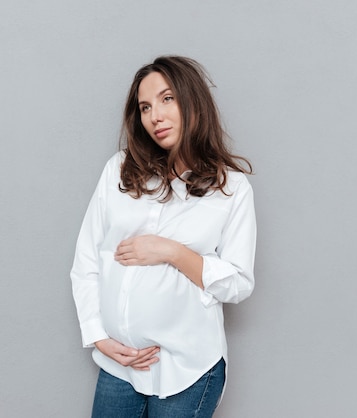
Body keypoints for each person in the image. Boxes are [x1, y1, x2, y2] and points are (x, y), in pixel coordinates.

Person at [70, 55, 256, 418]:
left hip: (188, 368)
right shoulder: (119, 171)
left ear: (192, 102)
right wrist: (99, 336)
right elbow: (87, 259)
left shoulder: (231, 188)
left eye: (167, 99)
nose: (154, 115)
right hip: (119, 365)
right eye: (145, 106)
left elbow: (238, 283)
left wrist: (171, 252)